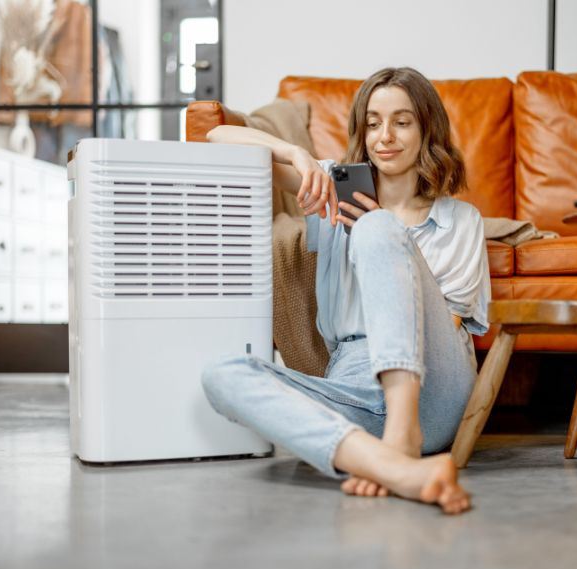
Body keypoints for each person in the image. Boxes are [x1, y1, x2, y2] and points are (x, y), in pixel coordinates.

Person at [202, 67, 490, 515]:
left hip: (432, 387)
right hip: (351, 383)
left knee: (376, 227)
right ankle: (391, 466)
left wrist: (385, 233)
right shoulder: (331, 190)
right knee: (222, 376)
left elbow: (447, 325)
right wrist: (295, 153)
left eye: (402, 121)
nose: (385, 136)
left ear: (427, 127)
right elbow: (216, 138)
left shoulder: (461, 219)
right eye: (373, 123)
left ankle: (400, 437)